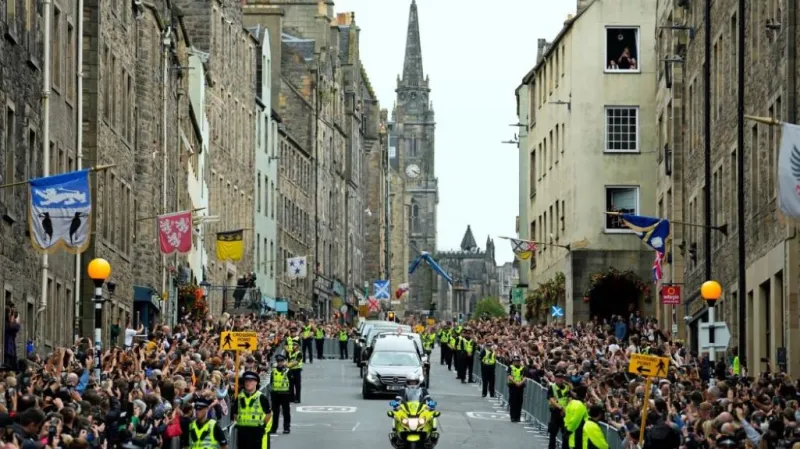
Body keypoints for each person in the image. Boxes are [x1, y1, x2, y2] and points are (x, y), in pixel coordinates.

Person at [233, 371, 272, 449]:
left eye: (251, 381)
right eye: (246, 381)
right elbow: (235, 413)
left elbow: (268, 414)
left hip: (256, 431)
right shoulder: (239, 397)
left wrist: (262, 425)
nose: (248, 383)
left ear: (256, 383)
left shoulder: (261, 397)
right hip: (242, 431)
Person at [269, 355, 292, 435]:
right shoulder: (274, 371)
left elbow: (291, 384)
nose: (280, 363)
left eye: (281, 361)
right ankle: (274, 428)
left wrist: (291, 395)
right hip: (275, 394)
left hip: (285, 394)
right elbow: (271, 382)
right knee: (275, 412)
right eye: (278, 361)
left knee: (286, 412)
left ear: (284, 362)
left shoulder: (288, 371)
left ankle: (286, 428)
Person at [548, 370, 571, 449]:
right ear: (555, 378)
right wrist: (560, 407)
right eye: (558, 378)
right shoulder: (552, 386)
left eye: (561, 378)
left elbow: (570, 399)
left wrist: (566, 409)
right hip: (556, 412)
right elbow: (551, 399)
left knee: (565, 434)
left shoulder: (567, 387)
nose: (560, 379)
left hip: (565, 414)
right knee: (553, 433)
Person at [564, 384, 588, 449]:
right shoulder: (581, 405)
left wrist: (566, 428)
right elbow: (576, 420)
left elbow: (566, 416)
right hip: (576, 435)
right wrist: (569, 431)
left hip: (568, 431)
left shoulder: (571, 402)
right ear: (585, 394)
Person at [506, 354, 526, 422]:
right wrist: (515, 382)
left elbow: (525, 377)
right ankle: (513, 417)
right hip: (513, 386)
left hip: (520, 387)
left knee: (519, 402)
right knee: (513, 402)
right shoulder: (510, 367)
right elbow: (509, 376)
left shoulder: (523, 368)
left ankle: (518, 417)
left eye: (518, 361)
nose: (516, 362)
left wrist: (520, 383)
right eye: (515, 361)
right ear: (513, 361)